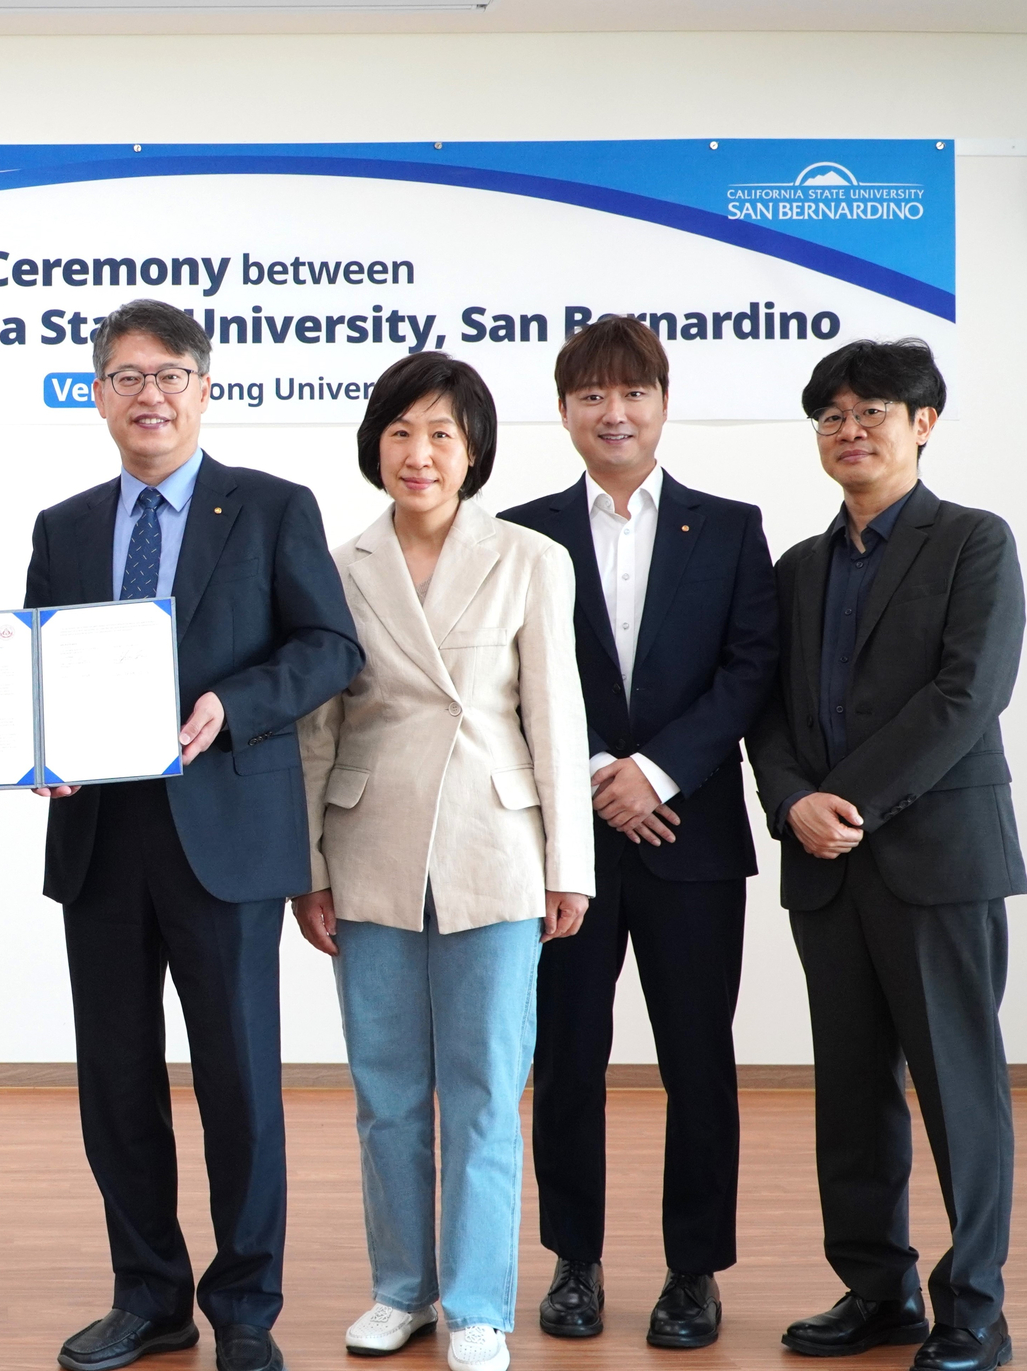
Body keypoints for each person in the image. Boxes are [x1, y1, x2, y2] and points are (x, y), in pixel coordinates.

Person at [27, 299, 363, 1371]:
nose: (150, 395)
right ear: (98, 395)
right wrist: (36, 747)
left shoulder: (269, 507)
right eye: (126, 377)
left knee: (239, 1083)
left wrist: (233, 704)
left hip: (225, 838)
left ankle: (247, 1310)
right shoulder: (63, 526)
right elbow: (37, 667)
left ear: (203, 389)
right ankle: (148, 1296)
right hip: (99, 841)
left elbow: (329, 646)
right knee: (116, 1082)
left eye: (169, 375)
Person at [294, 351, 592, 1371]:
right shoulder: (337, 564)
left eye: (440, 435)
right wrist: (307, 866)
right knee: (384, 1092)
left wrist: (569, 862)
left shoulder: (529, 559)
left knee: (483, 1090)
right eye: (399, 433)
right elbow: (317, 728)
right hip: (367, 844)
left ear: (472, 452)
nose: (417, 454)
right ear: (374, 446)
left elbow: (555, 716)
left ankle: (475, 1306)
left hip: (493, 846)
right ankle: (400, 1291)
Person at [499, 316, 779, 1348]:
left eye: (632, 393)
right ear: (563, 410)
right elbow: (504, 674)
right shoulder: (521, 532)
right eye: (591, 396)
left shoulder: (730, 526)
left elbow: (750, 668)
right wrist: (589, 775)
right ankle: (573, 1260)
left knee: (696, 1059)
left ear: (662, 402)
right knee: (566, 1056)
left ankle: (693, 1271)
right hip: (564, 845)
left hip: (688, 835)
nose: (612, 413)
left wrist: (653, 771)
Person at [746, 339, 1024, 1371]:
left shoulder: (972, 541)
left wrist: (845, 800)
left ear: (922, 424)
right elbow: (766, 712)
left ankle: (976, 1308)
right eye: (831, 416)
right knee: (851, 1089)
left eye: (871, 412)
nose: (849, 430)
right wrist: (792, 804)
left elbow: (967, 694)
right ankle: (878, 1290)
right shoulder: (796, 569)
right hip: (826, 867)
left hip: (937, 858)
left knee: (959, 1089)